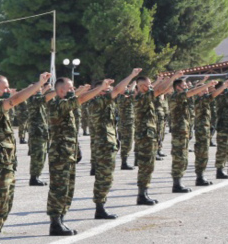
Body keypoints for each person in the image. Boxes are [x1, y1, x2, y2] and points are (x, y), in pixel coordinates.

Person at [0, 72, 51, 244]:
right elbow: (16, 99)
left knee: (5, 204)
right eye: (4, 88)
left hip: (5, 164)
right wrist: (38, 85)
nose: (8, 91)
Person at [45, 77, 108, 236]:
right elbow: (81, 98)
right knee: (58, 189)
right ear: (60, 91)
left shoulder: (65, 104)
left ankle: (60, 219)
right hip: (60, 154)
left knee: (67, 189)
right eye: (70, 88)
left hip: (68, 153)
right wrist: (99, 89)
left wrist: (77, 150)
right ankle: (55, 223)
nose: (73, 91)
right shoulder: (57, 104)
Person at [91, 69, 140, 219]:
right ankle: (99, 208)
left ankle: (101, 206)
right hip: (103, 145)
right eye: (106, 89)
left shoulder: (107, 103)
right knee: (103, 177)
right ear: (99, 92)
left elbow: (124, 91)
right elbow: (119, 89)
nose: (110, 92)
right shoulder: (97, 101)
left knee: (107, 177)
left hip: (109, 144)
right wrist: (131, 75)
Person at [132, 73, 179, 206]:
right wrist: (173, 78)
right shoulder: (141, 97)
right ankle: (141, 195)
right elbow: (160, 90)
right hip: (145, 137)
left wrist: (170, 80)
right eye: (147, 85)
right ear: (140, 86)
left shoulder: (146, 96)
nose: (150, 87)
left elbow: (160, 90)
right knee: (145, 166)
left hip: (149, 136)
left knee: (149, 166)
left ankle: (144, 193)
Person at [169, 77, 216, 194]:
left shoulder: (184, 97)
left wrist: (204, 83)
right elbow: (192, 92)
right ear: (177, 87)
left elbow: (193, 91)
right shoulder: (175, 96)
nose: (186, 87)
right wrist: (206, 85)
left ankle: (180, 182)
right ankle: (176, 184)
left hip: (184, 132)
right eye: (184, 85)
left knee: (183, 157)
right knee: (179, 157)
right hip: (178, 133)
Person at [26, 89, 49, 186]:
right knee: (37, 155)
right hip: (36, 133)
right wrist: (58, 90)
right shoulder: (32, 100)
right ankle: (33, 178)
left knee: (42, 155)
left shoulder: (37, 100)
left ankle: (36, 176)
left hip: (41, 133)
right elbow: (43, 98)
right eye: (37, 89)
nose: (39, 91)